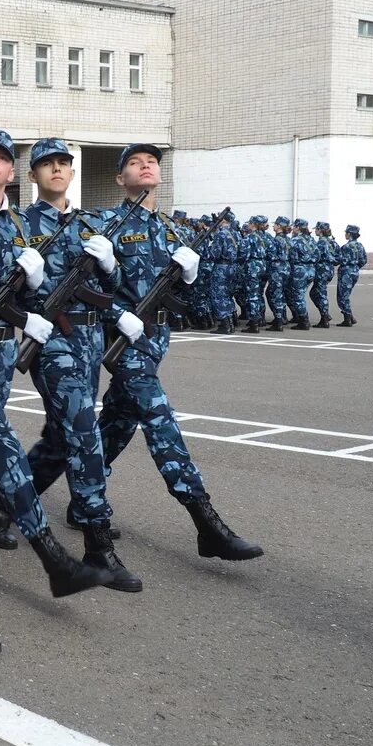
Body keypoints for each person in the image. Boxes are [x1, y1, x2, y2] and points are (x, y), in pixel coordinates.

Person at [0, 134, 112, 598]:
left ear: (11, 174)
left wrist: (35, 294)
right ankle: (51, 555)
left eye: (2, 158)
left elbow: (35, 296)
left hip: (0, 350)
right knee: (1, 441)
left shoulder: (19, 227)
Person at [97, 144, 263, 563]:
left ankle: (80, 500)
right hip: (125, 341)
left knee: (116, 424)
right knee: (159, 420)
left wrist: (190, 275)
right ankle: (205, 521)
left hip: (156, 341)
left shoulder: (172, 229)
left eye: (151, 161)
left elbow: (187, 293)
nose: (145, 165)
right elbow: (91, 289)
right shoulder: (108, 226)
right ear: (121, 178)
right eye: (134, 163)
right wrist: (118, 314)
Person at [287, 217, 317, 329]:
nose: (292, 228)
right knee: (301, 294)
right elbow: (317, 255)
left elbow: (291, 256)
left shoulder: (295, 240)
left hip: (300, 269)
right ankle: (302, 319)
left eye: (294, 226)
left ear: (298, 227)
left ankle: (304, 321)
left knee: (298, 296)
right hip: (311, 269)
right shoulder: (311, 240)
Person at [335, 225, 366, 326]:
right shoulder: (360, 246)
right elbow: (363, 260)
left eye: (346, 233)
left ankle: (347, 318)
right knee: (346, 295)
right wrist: (355, 267)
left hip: (346, 272)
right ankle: (350, 317)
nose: (345, 235)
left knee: (342, 296)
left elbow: (339, 259)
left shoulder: (346, 247)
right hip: (355, 271)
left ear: (349, 234)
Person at [309, 221, 338, 328]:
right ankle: (325, 314)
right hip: (329, 269)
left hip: (322, 269)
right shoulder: (332, 242)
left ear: (320, 230)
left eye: (316, 229)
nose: (315, 231)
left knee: (320, 293)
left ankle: (324, 317)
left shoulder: (321, 242)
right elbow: (338, 257)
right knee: (316, 293)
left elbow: (316, 256)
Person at [265, 216, 291, 331]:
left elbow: (271, 255)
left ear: (279, 226)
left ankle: (279, 321)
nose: (273, 226)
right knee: (279, 294)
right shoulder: (287, 239)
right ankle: (281, 317)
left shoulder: (277, 240)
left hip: (277, 268)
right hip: (286, 267)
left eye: (275, 224)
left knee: (275, 294)